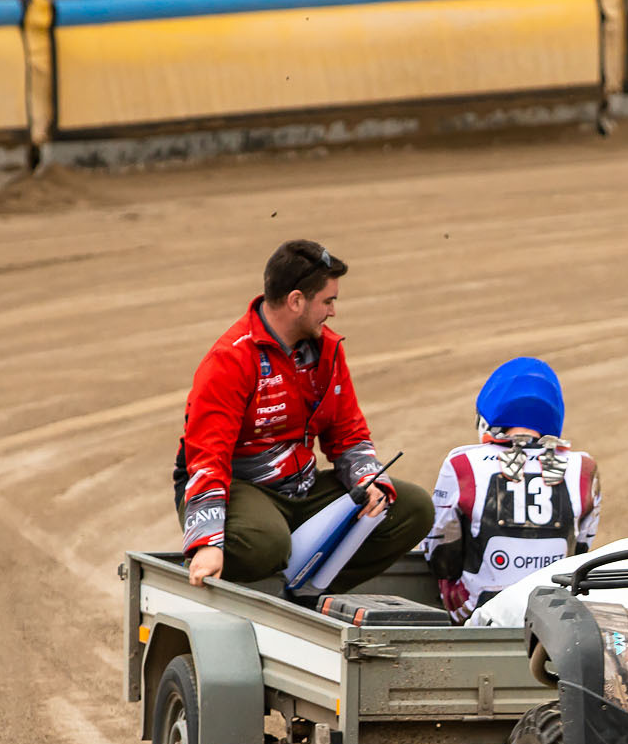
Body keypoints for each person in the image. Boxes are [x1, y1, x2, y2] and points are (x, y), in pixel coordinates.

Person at [174, 239, 434, 590]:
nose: (333, 312)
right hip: (240, 486)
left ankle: (307, 589)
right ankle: (266, 574)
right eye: (328, 301)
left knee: (412, 508)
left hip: (301, 487)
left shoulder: (327, 349)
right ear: (296, 301)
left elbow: (348, 434)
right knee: (266, 544)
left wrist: (369, 480)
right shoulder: (230, 359)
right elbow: (207, 457)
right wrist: (207, 542)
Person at [422, 358, 601, 623]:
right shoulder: (584, 467)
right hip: (555, 617)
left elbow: (439, 554)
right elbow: (580, 549)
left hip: (477, 612)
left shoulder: (461, 463)